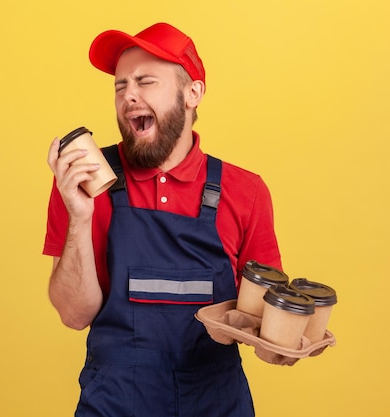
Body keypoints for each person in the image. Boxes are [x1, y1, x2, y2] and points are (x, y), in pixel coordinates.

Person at [43, 22, 282, 417]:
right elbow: (73, 315)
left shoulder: (246, 191)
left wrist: (280, 340)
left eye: (145, 81)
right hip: (114, 404)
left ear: (193, 93)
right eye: (120, 86)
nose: (128, 96)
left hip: (216, 404)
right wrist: (80, 216)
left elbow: (261, 317)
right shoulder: (84, 183)